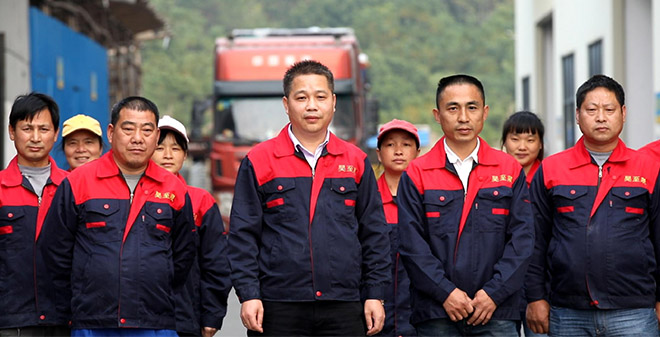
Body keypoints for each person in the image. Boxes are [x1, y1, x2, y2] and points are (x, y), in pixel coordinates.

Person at [228, 60, 391, 336]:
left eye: (320, 97)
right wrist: (248, 294)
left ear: (334, 102)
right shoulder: (259, 160)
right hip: (278, 304)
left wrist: (375, 294)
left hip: (344, 303)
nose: (311, 106)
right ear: (286, 103)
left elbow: (374, 234)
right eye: (301, 97)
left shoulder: (355, 161)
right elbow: (242, 235)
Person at [39, 96, 196, 336]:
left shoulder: (174, 189)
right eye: (128, 129)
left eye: (147, 130)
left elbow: (183, 257)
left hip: (155, 322)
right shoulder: (78, 183)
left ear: (156, 136)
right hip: (93, 322)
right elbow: (54, 252)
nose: (137, 138)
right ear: (111, 133)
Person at [397, 74, 534, 336]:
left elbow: (522, 240)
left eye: (471, 107)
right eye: (453, 108)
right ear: (438, 115)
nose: (463, 117)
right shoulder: (418, 172)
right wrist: (445, 292)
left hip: (496, 312)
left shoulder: (508, 169)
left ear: (484, 112)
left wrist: (493, 294)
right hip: (437, 312)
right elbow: (412, 245)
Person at [525, 74, 660, 336]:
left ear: (623, 113)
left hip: (634, 312)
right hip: (567, 311)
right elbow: (534, 238)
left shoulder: (649, 169)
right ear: (577, 115)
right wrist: (535, 297)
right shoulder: (552, 169)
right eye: (591, 110)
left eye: (609, 110)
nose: (601, 117)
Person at [151, 115, 232, 337]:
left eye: (176, 149)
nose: (168, 155)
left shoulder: (201, 201)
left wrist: (212, 314)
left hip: (186, 317)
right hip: (141, 318)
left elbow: (216, 264)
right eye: (159, 148)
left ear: (185, 155)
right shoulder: (135, 196)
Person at [0, 92, 70, 336]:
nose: (36, 137)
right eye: (27, 128)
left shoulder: (73, 189)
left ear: (56, 133)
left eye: (44, 128)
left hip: (65, 319)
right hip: (11, 321)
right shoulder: (0, 188)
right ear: (12, 132)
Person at [375, 119, 421, 337]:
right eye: (390, 145)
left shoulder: (428, 202)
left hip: (418, 319)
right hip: (375, 317)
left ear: (417, 152)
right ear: (379, 153)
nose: (398, 151)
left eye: (406, 144)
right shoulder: (367, 202)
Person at [501, 111, 544, 187]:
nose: (522, 147)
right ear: (504, 142)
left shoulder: (547, 178)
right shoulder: (494, 177)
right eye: (515, 139)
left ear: (540, 144)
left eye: (530, 140)